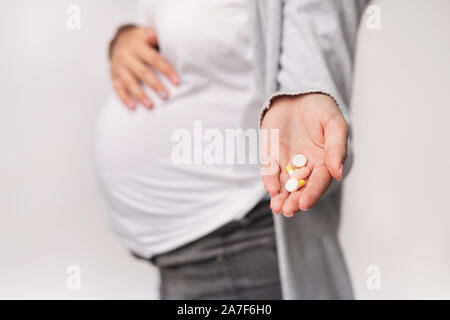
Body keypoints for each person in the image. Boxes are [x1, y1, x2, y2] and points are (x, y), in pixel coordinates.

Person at [95, 0, 368, 299]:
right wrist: (126, 38)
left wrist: (308, 91)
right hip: (191, 255)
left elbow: (319, 17)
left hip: (237, 242)